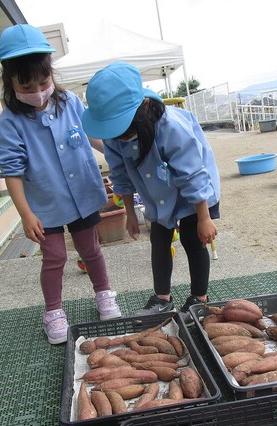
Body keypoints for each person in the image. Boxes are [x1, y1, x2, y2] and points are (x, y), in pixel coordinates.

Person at [0, 24, 122, 344]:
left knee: (91, 249)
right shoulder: (10, 123)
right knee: (55, 257)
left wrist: (117, 157)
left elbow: (93, 136)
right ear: (10, 80)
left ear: (51, 74)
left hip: (83, 194)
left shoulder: (70, 102)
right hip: (43, 205)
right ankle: (53, 311)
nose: (37, 89)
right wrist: (24, 213)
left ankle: (104, 293)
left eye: (43, 81)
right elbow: (12, 172)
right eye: (26, 83)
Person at [82, 61, 221, 316]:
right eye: (113, 130)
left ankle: (199, 298)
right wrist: (131, 214)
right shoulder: (114, 137)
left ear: (144, 107)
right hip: (158, 195)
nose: (121, 136)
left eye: (125, 128)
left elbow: (191, 173)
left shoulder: (171, 128)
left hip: (195, 195)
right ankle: (162, 298)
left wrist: (204, 217)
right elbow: (120, 173)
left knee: (194, 240)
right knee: (158, 240)